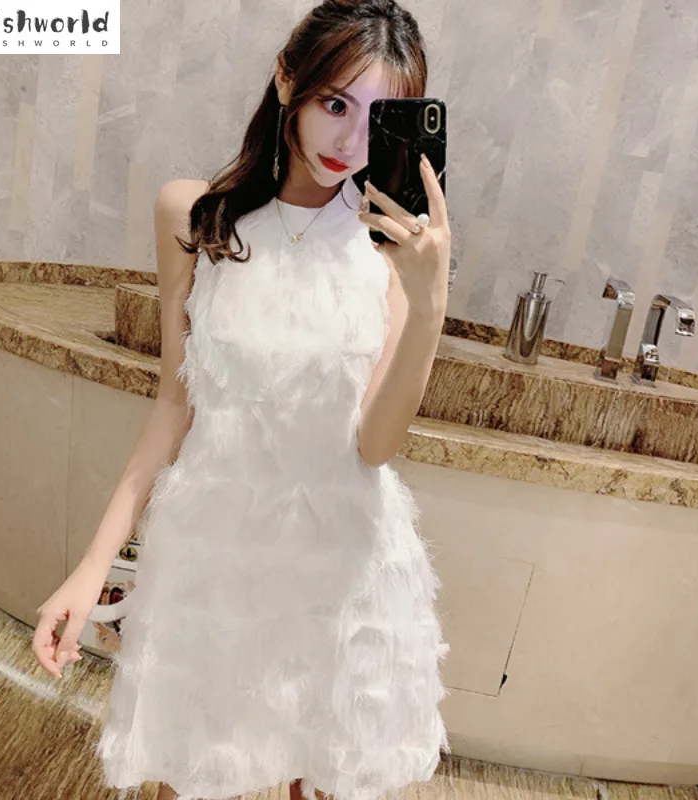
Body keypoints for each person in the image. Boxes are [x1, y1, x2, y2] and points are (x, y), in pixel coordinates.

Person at [32, 1, 452, 799]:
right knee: (191, 769)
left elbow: (373, 446)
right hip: (212, 549)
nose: (349, 142)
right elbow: (173, 405)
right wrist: (92, 570)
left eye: (375, 119)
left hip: (338, 560)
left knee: (317, 776)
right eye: (335, 104)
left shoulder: (387, 256)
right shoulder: (196, 217)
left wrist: (430, 303)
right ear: (287, 79)